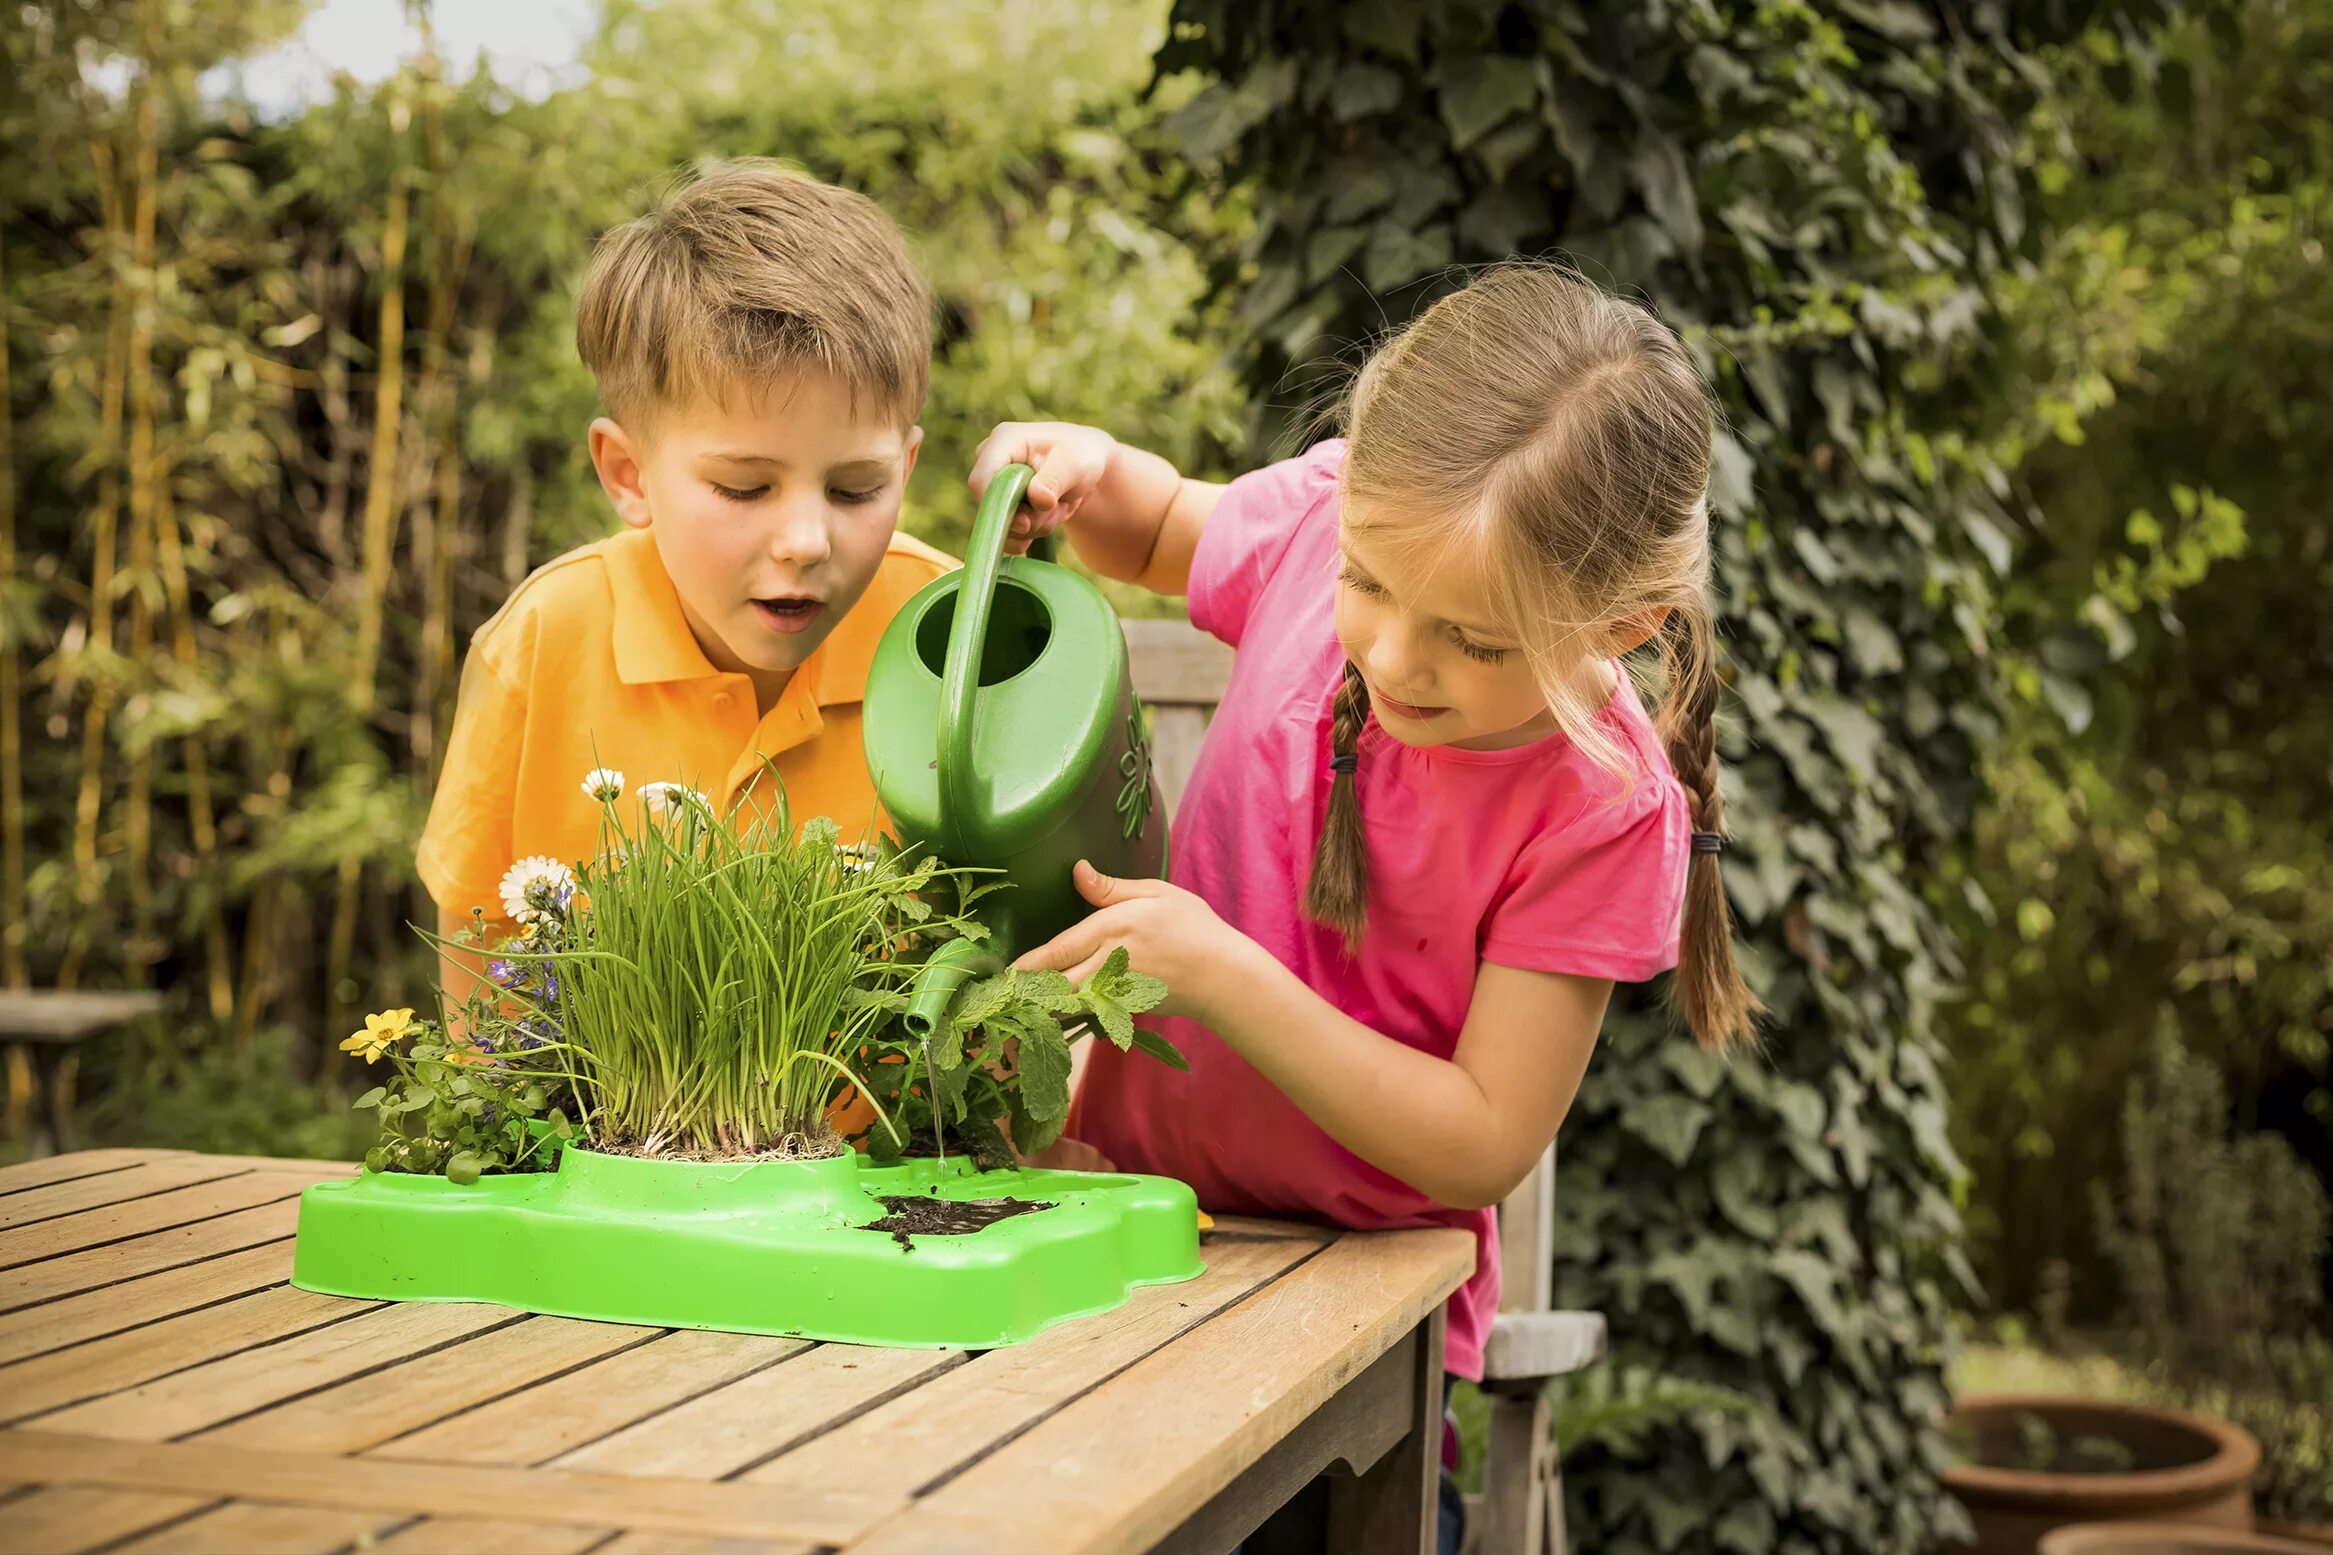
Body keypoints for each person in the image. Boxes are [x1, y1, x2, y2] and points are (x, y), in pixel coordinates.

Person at [978, 264, 1759, 1555]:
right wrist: (1089, 473)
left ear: (1616, 627)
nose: (1393, 656)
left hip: (1354, 1336)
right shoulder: (1324, 520)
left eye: (1475, 640)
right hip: (1112, 1220)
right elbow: (1160, 524)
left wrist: (1221, 976)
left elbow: (1477, 1141)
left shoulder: (1598, 806)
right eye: (1370, 587)